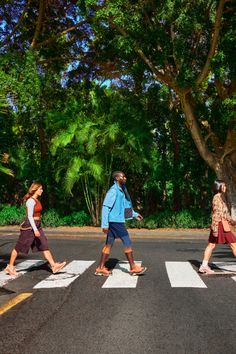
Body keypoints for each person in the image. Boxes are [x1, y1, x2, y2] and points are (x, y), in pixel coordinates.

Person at [5, 182, 66, 276]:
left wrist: (37, 228)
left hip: (37, 225)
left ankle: (54, 266)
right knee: (19, 246)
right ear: (35, 189)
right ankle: (10, 266)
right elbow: (30, 216)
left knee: (44, 244)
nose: (42, 190)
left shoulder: (37, 200)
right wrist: (35, 229)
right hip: (29, 226)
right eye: (40, 189)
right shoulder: (30, 201)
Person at [95, 171, 147, 276]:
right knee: (127, 241)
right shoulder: (113, 191)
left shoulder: (122, 190)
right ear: (117, 178)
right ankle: (133, 267)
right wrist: (104, 224)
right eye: (123, 176)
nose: (125, 178)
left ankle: (100, 267)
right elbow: (105, 207)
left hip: (115, 221)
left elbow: (125, 207)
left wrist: (135, 214)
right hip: (115, 221)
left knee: (108, 244)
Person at [199, 180, 236, 274]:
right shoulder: (216, 199)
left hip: (220, 224)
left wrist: (232, 222)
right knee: (234, 244)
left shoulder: (219, 198)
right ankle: (204, 266)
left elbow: (225, 214)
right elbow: (216, 214)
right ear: (219, 187)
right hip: (220, 225)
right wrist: (215, 228)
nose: (225, 187)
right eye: (223, 186)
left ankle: (204, 266)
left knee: (211, 245)